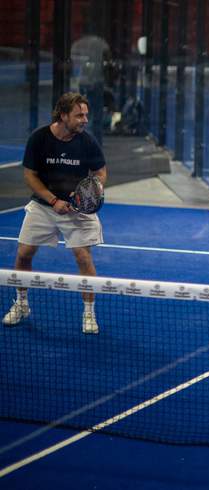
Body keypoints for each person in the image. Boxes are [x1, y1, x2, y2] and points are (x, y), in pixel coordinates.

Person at [3, 93, 108, 335]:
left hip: (77, 209)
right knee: (23, 254)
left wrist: (90, 191)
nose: (84, 120)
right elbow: (30, 175)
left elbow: (101, 172)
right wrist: (52, 200)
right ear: (63, 115)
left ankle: (89, 312)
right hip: (43, 206)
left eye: (86, 115)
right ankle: (21, 303)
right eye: (79, 115)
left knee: (83, 257)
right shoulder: (39, 139)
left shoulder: (87, 141)